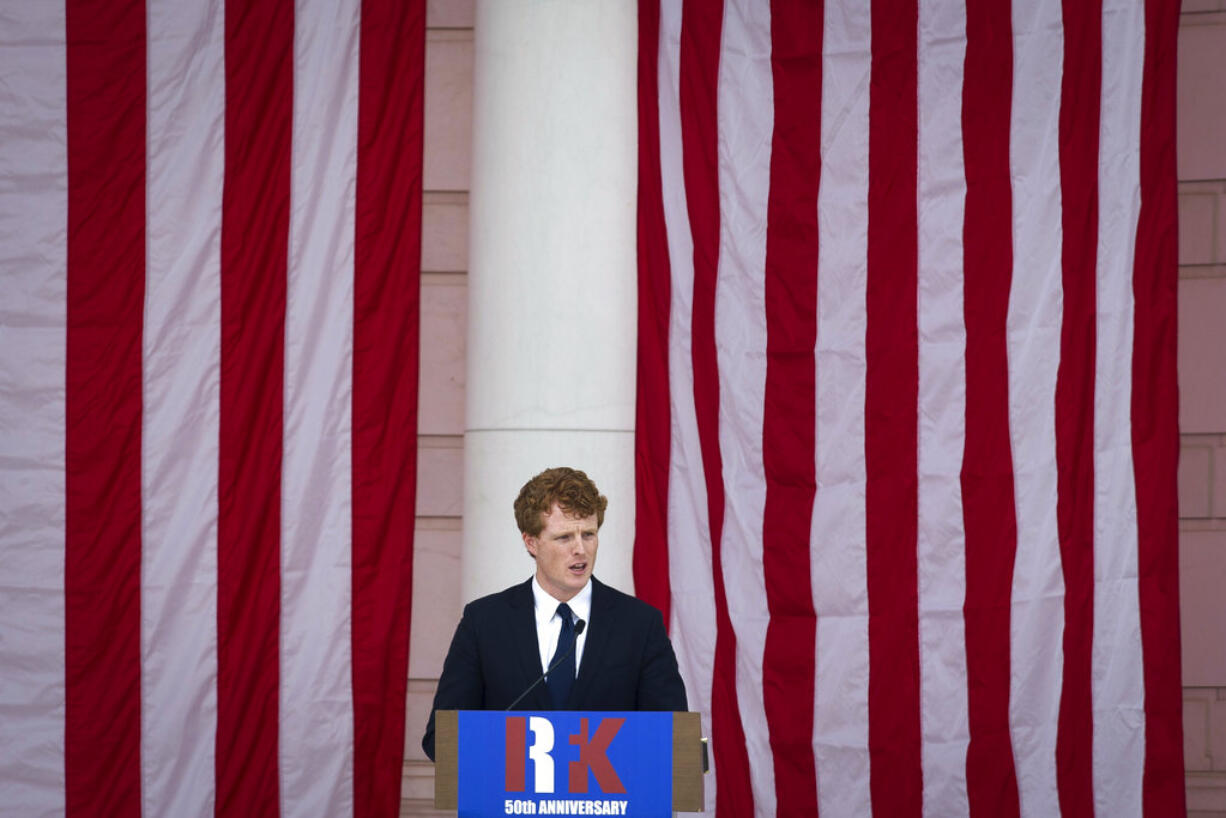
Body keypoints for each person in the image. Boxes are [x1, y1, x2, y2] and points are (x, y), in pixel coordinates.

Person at [421, 466, 687, 761]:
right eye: (564, 538)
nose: (580, 550)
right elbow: (441, 739)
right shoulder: (484, 622)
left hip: (608, 804)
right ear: (531, 542)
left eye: (588, 534)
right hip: (511, 804)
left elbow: (673, 739)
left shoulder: (640, 624)